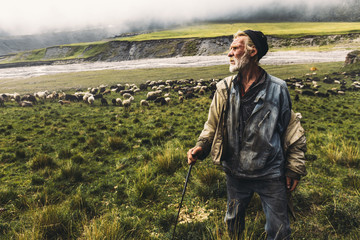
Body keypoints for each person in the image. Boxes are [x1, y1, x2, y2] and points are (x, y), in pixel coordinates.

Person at [187, 30, 307, 240]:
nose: (229, 54)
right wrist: (202, 146)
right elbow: (212, 125)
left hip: (270, 173)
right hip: (235, 173)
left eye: (235, 48)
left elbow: (291, 131)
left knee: (279, 231)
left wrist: (294, 167)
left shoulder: (278, 89)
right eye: (230, 49)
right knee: (232, 225)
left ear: (253, 52)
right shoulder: (223, 88)